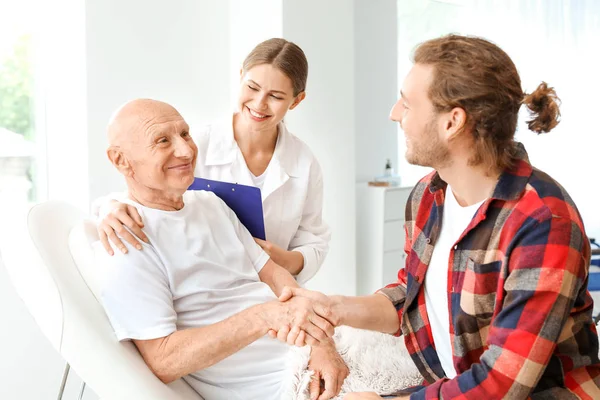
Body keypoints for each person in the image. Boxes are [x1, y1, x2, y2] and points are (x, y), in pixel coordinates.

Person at [278, 34, 600, 399]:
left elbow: (501, 385)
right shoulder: (428, 196)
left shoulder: (544, 222)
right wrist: (332, 307)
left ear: (452, 122)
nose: (394, 113)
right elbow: (411, 300)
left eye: (407, 103)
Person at [95, 98, 348, 400]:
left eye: (185, 134)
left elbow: (275, 274)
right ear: (121, 161)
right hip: (288, 383)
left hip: (316, 347)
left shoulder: (211, 203)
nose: (187, 150)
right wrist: (265, 316)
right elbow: (163, 360)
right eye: (162, 140)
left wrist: (321, 343)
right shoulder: (126, 238)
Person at [95, 38, 329, 284]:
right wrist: (109, 207)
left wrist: (283, 260)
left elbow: (313, 238)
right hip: (205, 286)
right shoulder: (191, 144)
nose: (259, 103)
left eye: (276, 96)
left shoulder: (304, 163)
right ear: (240, 76)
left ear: (296, 100)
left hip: (273, 286)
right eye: (252, 87)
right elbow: (142, 189)